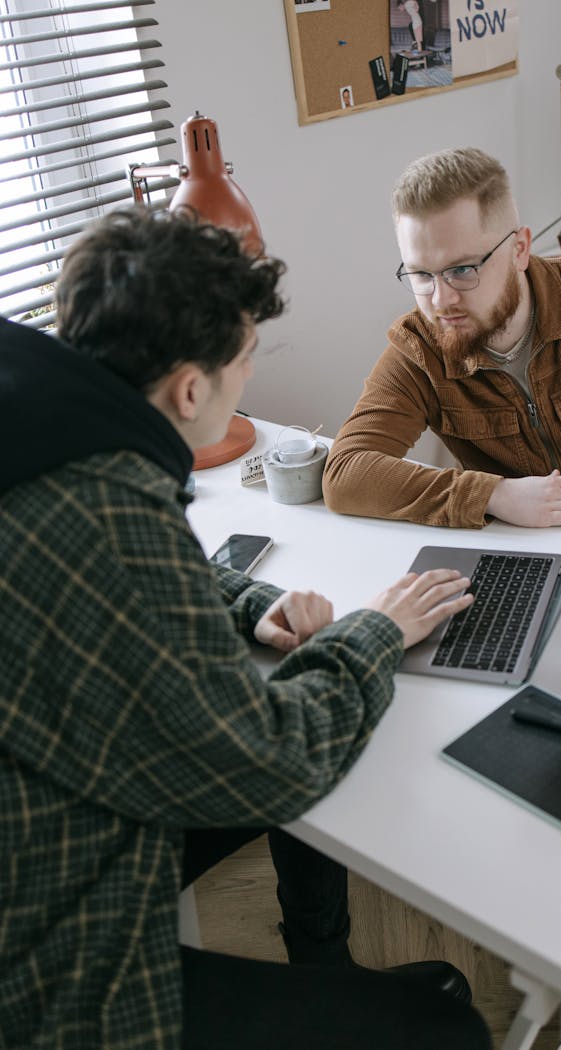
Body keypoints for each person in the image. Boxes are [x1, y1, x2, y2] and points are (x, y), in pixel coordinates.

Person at [0, 207, 492, 1050]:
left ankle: (321, 969)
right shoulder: (109, 517)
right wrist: (373, 628)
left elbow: (117, 579)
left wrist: (246, 604)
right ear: (192, 390)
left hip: (48, 793)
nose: (247, 383)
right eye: (245, 363)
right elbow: (274, 760)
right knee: (443, 1029)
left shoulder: (42, 432)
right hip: (45, 957)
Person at [323, 146, 561, 545]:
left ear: (519, 249)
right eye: (421, 274)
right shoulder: (419, 348)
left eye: (462, 269)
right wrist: (493, 495)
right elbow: (346, 472)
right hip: (519, 543)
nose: (440, 300)